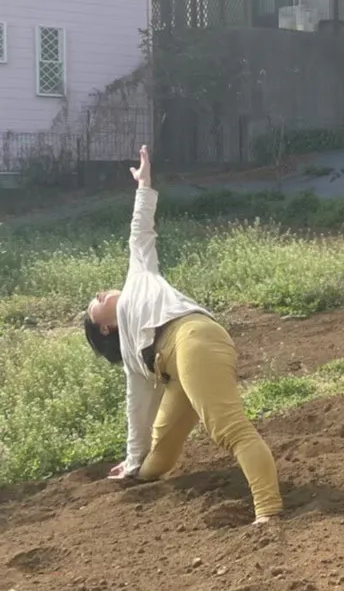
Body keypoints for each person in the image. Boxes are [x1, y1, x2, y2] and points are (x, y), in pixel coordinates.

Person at [82, 146, 281, 526]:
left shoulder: (139, 273)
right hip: (175, 368)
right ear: (105, 327)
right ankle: (141, 475)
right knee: (160, 448)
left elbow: (141, 228)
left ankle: (268, 510)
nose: (101, 293)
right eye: (96, 301)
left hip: (193, 338)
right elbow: (137, 409)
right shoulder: (131, 354)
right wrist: (133, 460)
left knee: (228, 428)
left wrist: (144, 185)